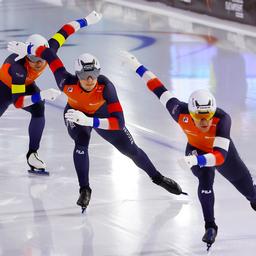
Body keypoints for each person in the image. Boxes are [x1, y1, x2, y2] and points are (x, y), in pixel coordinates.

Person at [7, 43, 187, 212]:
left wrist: (90, 121)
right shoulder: (65, 81)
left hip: (101, 116)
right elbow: (48, 53)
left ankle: (158, 178)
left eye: (94, 73)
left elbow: (119, 122)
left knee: (131, 150)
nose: (90, 79)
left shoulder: (106, 87)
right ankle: (85, 189)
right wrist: (28, 49)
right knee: (81, 142)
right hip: (75, 115)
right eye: (85, 75)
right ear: (77, 75)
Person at [119, 51, 256, 250]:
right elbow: (158, 89)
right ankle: (210, 226)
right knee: (206, 179)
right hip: (196, 151)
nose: (203, 121)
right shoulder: (179, 111)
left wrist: (197, 161)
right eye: (198, 116)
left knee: (251, 195)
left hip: (216, 152)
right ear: (190, 112)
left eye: (207, 115)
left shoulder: (222, 119)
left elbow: (221, 157)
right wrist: (136, 65)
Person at [0, 11, 102, 175]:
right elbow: (18, 102)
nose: (39, 63)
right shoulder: (18, 68)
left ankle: (33, 153)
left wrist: (87, 20)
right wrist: (41, 94)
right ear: (26, 56)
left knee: (39, 107)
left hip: (26, 84)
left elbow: (65, 31)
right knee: (37, 100)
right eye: (34, 60)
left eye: (42, 58)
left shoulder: (48, 51)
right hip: (4, 88)